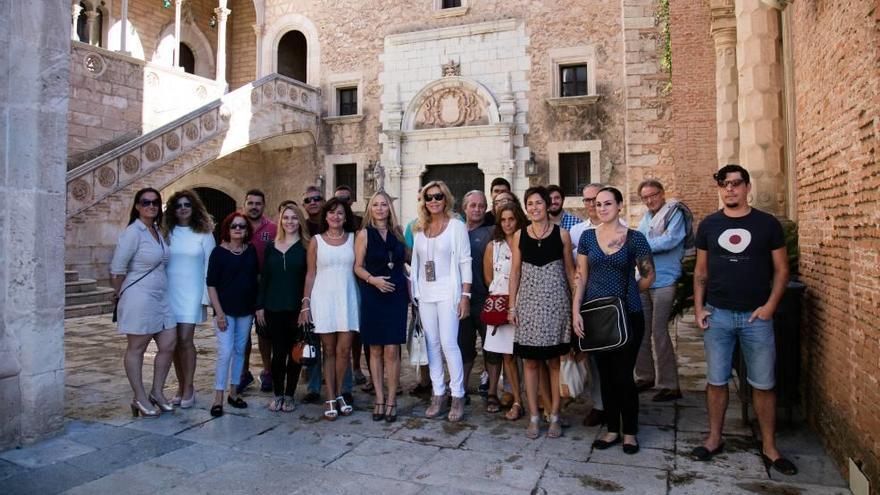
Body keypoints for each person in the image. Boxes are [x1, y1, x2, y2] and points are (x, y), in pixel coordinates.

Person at [691, 165, 796, 475]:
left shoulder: (767, 225)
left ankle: (769, 446)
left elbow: (782, 270)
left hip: (756, 317)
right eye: (724, 185)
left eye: (736, 184)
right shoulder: (709, 224)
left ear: (748, 187)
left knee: (764, 383)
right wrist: (699, 308)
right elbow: (700, 272)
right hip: (718, 315)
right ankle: (714, 438)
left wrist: (769, 307)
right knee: (716, 380)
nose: (730, 190)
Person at [572, 186, 655, 455]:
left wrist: (630, 292)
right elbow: (580, 276)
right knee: (605, 376)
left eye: (608, 203)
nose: (602, 208)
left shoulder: (635, 238)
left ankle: (629, 431)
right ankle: (611, 429)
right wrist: (576, 311)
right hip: (596, 315)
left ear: (620, 205)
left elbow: (648, 276)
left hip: (628, 315)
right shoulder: (586, 237)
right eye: (598, 204)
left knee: (623, 376)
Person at [508, 186, 575, 439]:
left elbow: (570, 272)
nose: (535, 208)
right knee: (530, 362)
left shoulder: (563, 235)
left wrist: (575, 307)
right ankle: (535, 416)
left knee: (554, 362)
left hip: (557, 305)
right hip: (529, 305)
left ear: (547, 205)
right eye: (530, 204)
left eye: (538, 203)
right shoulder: (519, 236)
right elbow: (515, 273)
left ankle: (555, 415)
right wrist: (512, 306)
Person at [110, 188, 178, 418]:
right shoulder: (133, 232)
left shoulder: (157, 230)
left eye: (155, 202)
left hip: (161, 295)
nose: (151, 206)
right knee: (137, 347)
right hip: (139, 295)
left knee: (169, 343)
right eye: (146, 202)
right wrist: (119, 293)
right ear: (137, 206)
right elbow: (117, 268)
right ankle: (139, 396)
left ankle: (157, 392)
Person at [410, 181, 472, 422]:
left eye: (438, 197)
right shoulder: (419, 229)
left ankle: (457, 395)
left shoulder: (456, 226)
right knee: (431, 343)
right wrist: (414, 293)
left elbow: (465, 262)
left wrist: (465, 296)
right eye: (429, 197)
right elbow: (416, 264)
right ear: (424, 202)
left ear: (445, 199)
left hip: (449, 292)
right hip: (426, 294)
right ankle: (438, 393)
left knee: (449, 343)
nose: (433, 201)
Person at [301, 198, 360, 420]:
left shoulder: (354, 239)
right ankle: (330, 396)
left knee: (345, 350)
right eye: (332, 213)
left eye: (340, 213)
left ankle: (340, 394)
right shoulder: (316, 241)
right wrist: (305, 303)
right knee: (329, 350)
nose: (336, 217)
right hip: (323, 298)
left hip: (348, 297)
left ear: (346, 217)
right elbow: (310, 273)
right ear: (325, 216)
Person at [353, 192, 409, 423]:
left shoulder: (398, 233)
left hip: (395, 294)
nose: (379, 208)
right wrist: (373, 280)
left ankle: (392, 400)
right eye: (375, 204)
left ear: (389, 208)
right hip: (373, 293)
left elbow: (408, 259)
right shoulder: (364, 234)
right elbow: (357, 266)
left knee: (392, 350)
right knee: (375, 349)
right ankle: (378, 397)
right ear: (370, 209)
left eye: (384, 204)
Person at [162, 189, 215, 409]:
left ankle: (190, 387)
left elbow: (210, 266)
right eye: (178, 205)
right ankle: (180, 386)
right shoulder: (166, 232)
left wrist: (206, 297)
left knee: (185, 340)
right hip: (169, 293)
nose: (183, 208)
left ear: (194, 208)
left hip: (192, 294)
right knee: (172, 343)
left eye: (187, 205)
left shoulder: (204, 233)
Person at [255, 202, 309, 412]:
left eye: (294, 218)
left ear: (300, 221)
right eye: (286, 218)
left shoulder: (306, 246)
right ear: (280, 221)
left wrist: (307, 306)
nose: (290, 222)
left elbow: (310, 278)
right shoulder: (271, 246)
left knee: (295, 354)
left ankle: (290, 395)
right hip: (273, 307)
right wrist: (259, 305)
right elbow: (264, 279)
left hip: (297, 309)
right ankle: (277, 394)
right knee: (278, 354)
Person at [635, 179, 685, 402]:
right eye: (645, 197)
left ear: (662, 194)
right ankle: (645, 376)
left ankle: (670, 384)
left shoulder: (674, 213)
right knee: (641, 331)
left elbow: (671, 240)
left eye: (653, 195)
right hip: (645, 280)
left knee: (659, 331)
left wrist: (643, 245)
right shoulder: (646, 218)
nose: (649, 200)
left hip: (665, 280)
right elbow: (638, 240)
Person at [568, 183, 613, 427]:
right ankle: (599, 405)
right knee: (593, 357)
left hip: (615, 303)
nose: (591, 205)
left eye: (595, 199)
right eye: (586, 200)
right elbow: (574, 270)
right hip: (587, 302)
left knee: (616, 355)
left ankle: (617, 403)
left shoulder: (624, 230)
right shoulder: (577, 232)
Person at [206, 212, 259, 417]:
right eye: (234, 226)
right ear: (227, 229)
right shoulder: (218, 253)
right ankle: (218, 396)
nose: (238, 229)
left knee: (239, 350)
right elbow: (211, 285)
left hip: (245, 310)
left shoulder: (250, 251)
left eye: (242, 226)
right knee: (225, 351)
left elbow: (255, 278)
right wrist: (218, 313)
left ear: (247, 231)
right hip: (225, 311)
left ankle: (234, 392)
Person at [483, 203, 528, 421]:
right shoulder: (494, 245)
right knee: (508, 357)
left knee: (531, 356)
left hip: (526, 302)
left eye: (511, 219)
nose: (508, 223)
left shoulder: (527, 241)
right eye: (503, 219)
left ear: (518, 219)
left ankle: (538, 400)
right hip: (501, 303)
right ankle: (518, 400)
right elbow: (488, 277)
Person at [458, 190, 500, 412]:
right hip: (461, 300)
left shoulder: (492, 232)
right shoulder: (455, 232)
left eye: (481, 206)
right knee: (463, 346)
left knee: (491, 347)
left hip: (486, 298)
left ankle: (492, 392)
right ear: (464, 208)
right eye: (472, 205)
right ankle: (460, 389)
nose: (477, 209)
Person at [239, 189, 277, 394]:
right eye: (250, 203)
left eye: (258, 203)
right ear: (244, 204)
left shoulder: (272, 228)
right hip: (242, 288)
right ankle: (243, 374)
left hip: (266, 288)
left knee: (264, 332)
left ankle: (268, 371)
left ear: (263, 205)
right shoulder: (236, 225)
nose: (254, 206)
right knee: (243, 333)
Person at [335, 185, 368, 388]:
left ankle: (356, 366)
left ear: (351, 201)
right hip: (335, 283)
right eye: (339, 199)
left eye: (346, 199)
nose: (343, 202)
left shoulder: (359, 223)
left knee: (355, 330)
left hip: (356, 280)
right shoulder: (330, 220)